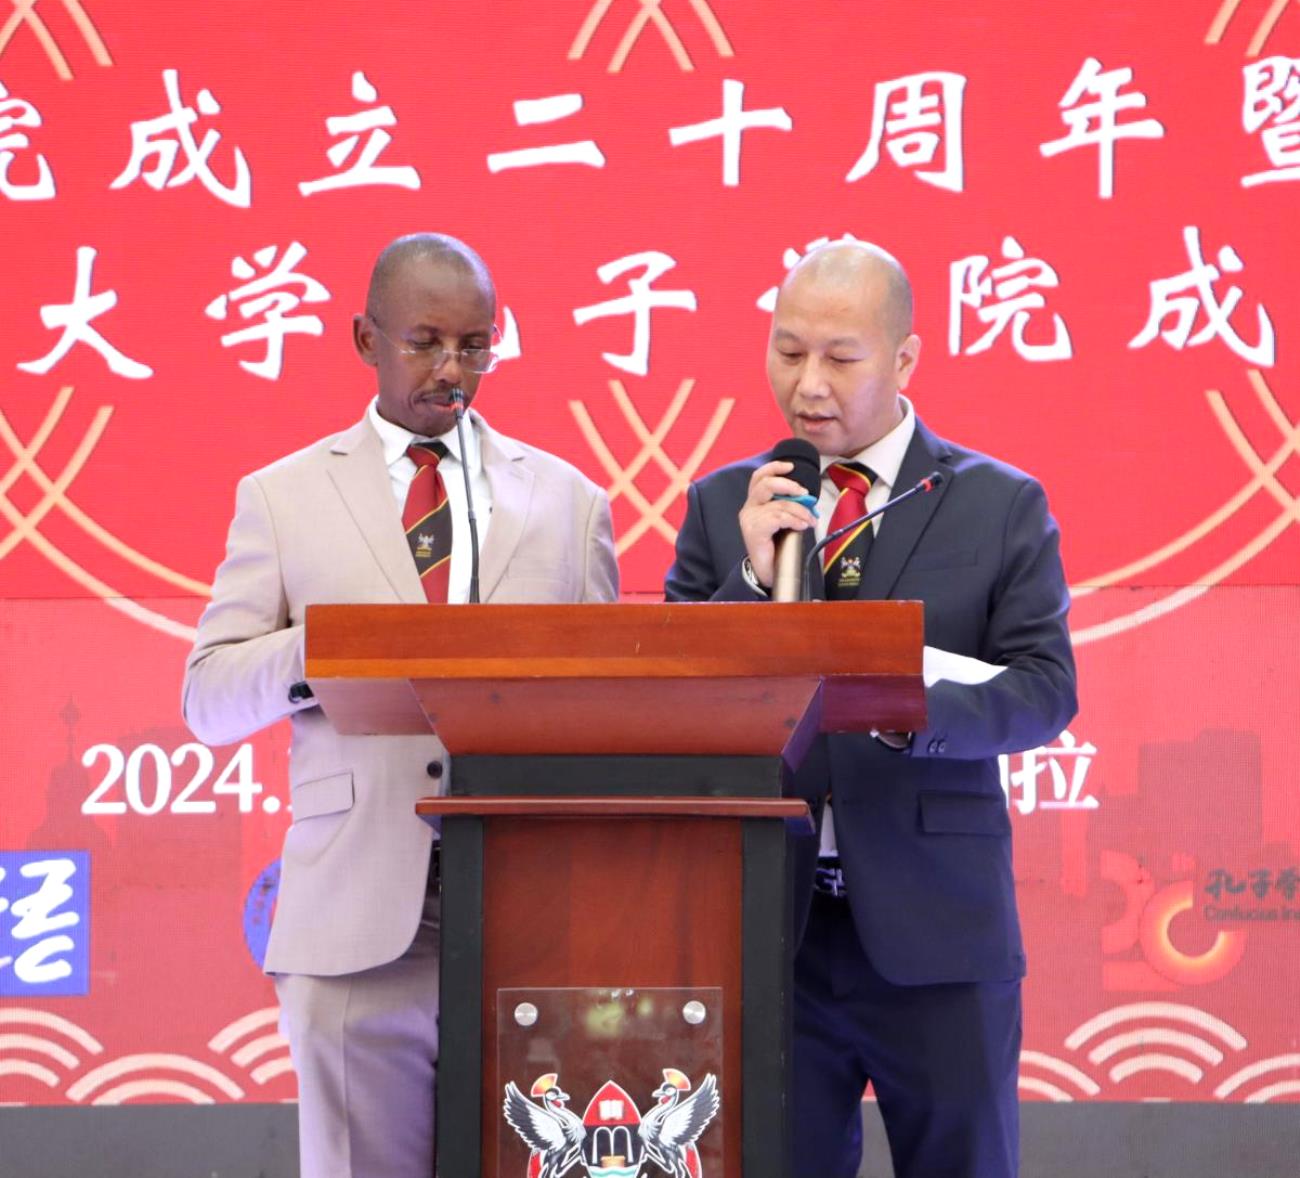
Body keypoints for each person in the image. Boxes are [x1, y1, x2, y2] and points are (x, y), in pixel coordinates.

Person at [183, 233, 619, 1178]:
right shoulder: (283, 497)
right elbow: (208, 698)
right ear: (364, 338)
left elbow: (609, 713)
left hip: (535, 916)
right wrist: (327, 649)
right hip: (356, 922)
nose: (452, 371)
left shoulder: (571, 502)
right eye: (424, 342)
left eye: (475, 345)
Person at [665, 241, 1076, 1178]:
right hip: (774, 932)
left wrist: (909, 708)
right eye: (787, 350)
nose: (808, 383)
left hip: (940, 936)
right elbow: (681, 702)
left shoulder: (999, 504)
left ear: (905, 359)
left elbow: (1045, 690)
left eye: (840, 357)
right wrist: (747, 581)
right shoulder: (726, 502)